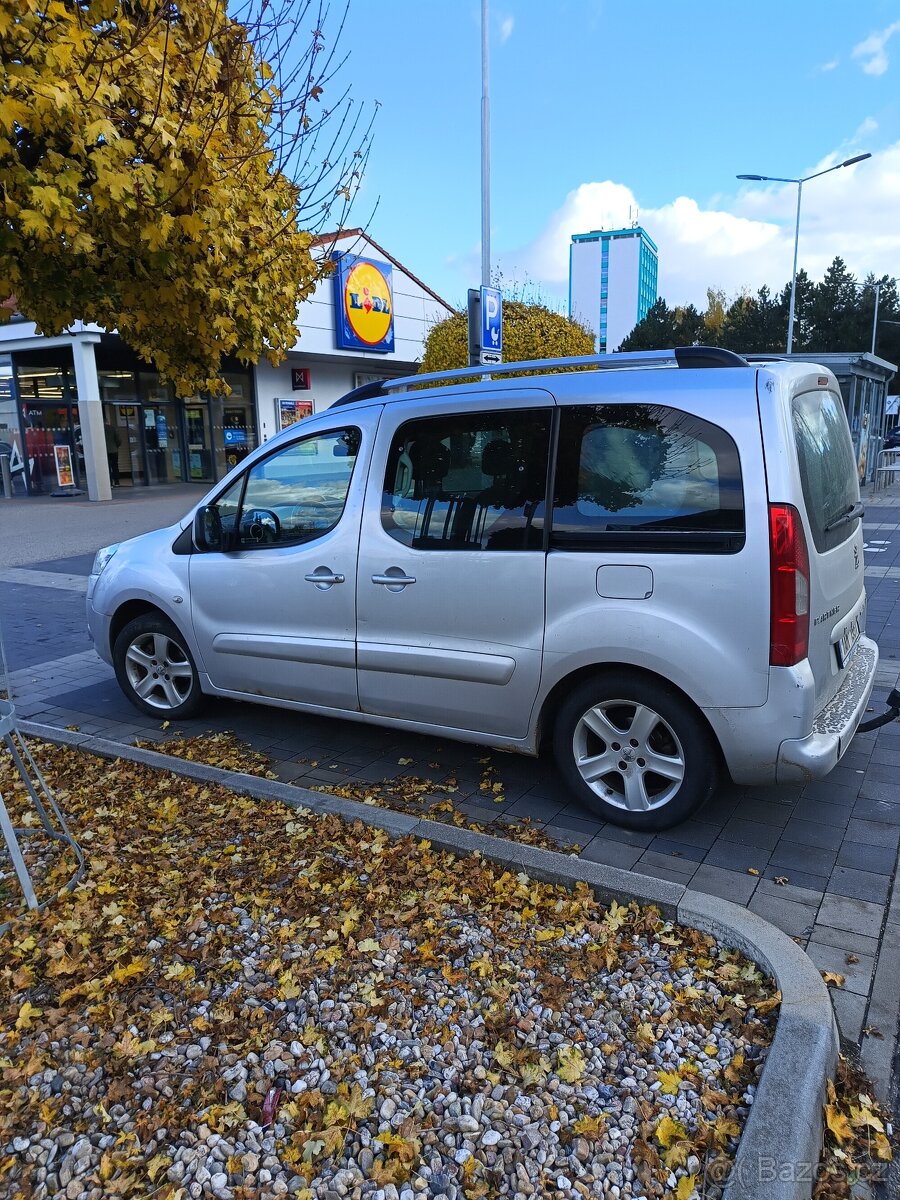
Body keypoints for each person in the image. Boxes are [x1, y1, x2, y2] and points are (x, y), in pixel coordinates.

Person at [104, 418, 121, 486]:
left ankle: (109, 483)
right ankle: (117, 482)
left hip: (105, 451)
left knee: (107, 467)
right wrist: (116, 446)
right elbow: (118, 440)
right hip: (114, 450)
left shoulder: (100, 429)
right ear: (107, 422)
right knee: (115, 466)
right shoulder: (112, 428)